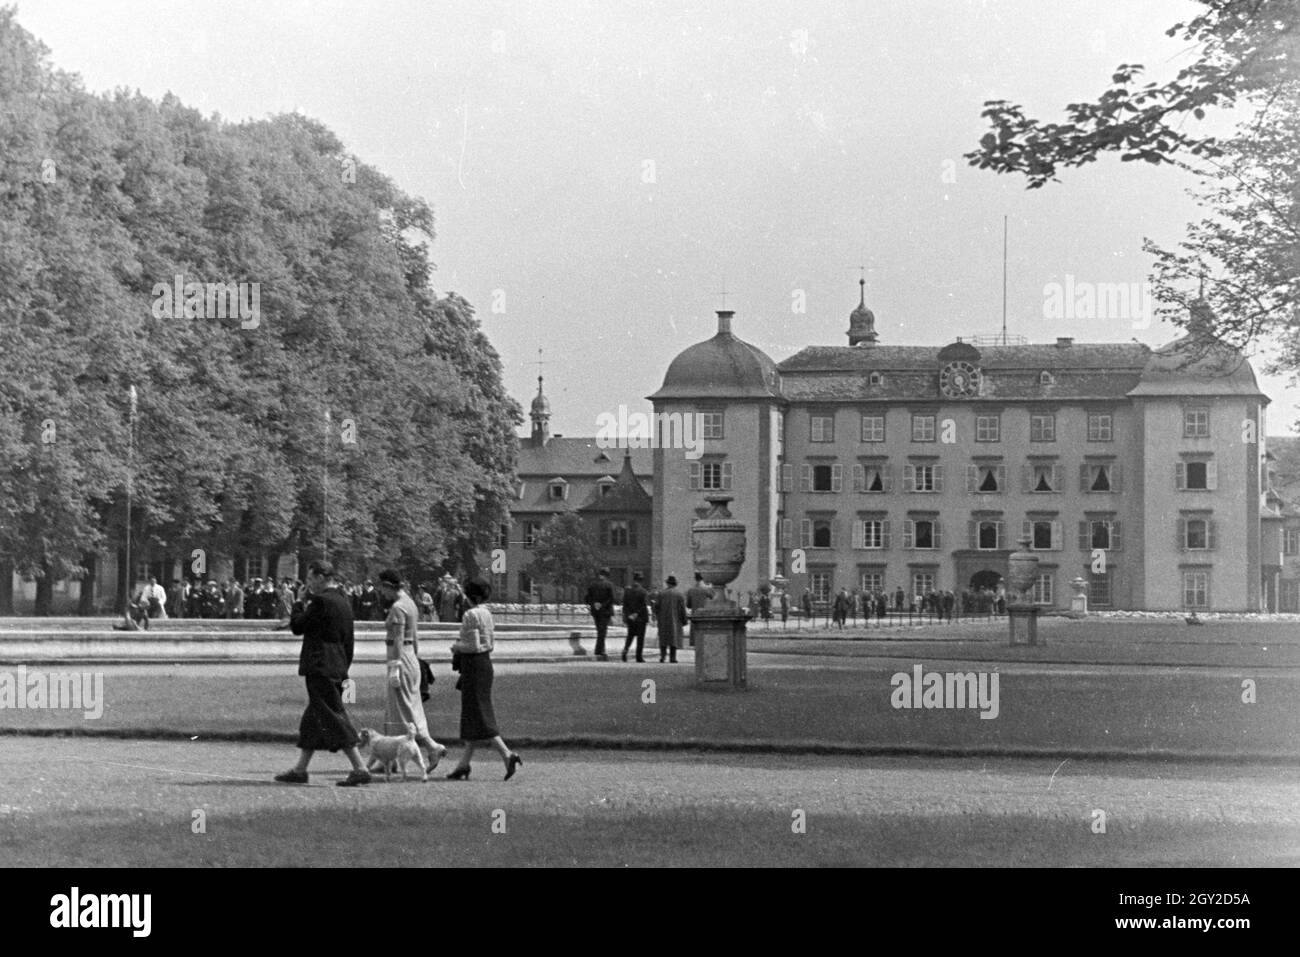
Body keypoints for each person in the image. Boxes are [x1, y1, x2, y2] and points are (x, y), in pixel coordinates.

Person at [275, 561, 370, 787]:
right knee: (314, 718)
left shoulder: (321, 601)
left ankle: (360, 767)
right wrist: (344, 666)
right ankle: (300, 770)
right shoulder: (344, 601)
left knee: (332, 713)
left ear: (320, 577)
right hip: (336, 664)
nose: (308, 584)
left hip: (320, 666)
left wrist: (298, 602)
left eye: (310, 579)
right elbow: (349, 639)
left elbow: (298, 627)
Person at [444, 579, 522, 781]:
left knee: (480, 715)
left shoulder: (471, 614)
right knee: (473, 715)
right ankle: (463, 764)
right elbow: (488, 645)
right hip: (485, 665)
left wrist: (457, 647)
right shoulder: (487, 613)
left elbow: (474, 646)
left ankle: (507, 754)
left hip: (474, 666)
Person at [374, 568, 447, 773]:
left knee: (402, 710)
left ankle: (431, 747)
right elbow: (414, 637)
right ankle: (392, 758)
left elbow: (397, 638)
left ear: (388, 587)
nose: (382, 593)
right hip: (409, 657)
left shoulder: (398, 607)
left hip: (399, 658)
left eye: (383, 589)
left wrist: (396, 667)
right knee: (406, 708)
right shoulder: (410, 603)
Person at [654, 575, 687, 663]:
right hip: (675, 620)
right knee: (674, 638)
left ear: (667, 583)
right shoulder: (679, 595)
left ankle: (663, 656)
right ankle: (673, 657)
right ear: (675, 584)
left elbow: (656, 607)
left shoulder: (661, 594)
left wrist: (658, 616)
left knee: (663, 638)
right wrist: (684, 620)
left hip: (663, 619)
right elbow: (682, 609)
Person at [584, 567, 615, 660]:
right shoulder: (609, 585)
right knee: (603, 631)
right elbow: (612, 598)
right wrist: (602, 605)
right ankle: (599, 650)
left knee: (599, 629)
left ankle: (601, 648)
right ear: (607, 575)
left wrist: (594, 604)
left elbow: (587, 598)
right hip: (605, 611)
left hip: (595, 611)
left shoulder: (592, 585)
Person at [620, 571, 650, 662]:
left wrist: (628, 614)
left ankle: (625, 651)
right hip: (640, 617)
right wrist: (636, 613)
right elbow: (643, 605)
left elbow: (625, 604)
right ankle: (638, 656)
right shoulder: (643, 591)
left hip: (630, 617)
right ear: (641, 580)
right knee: (640, 638)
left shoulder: (628, 590)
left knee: (630, 636)